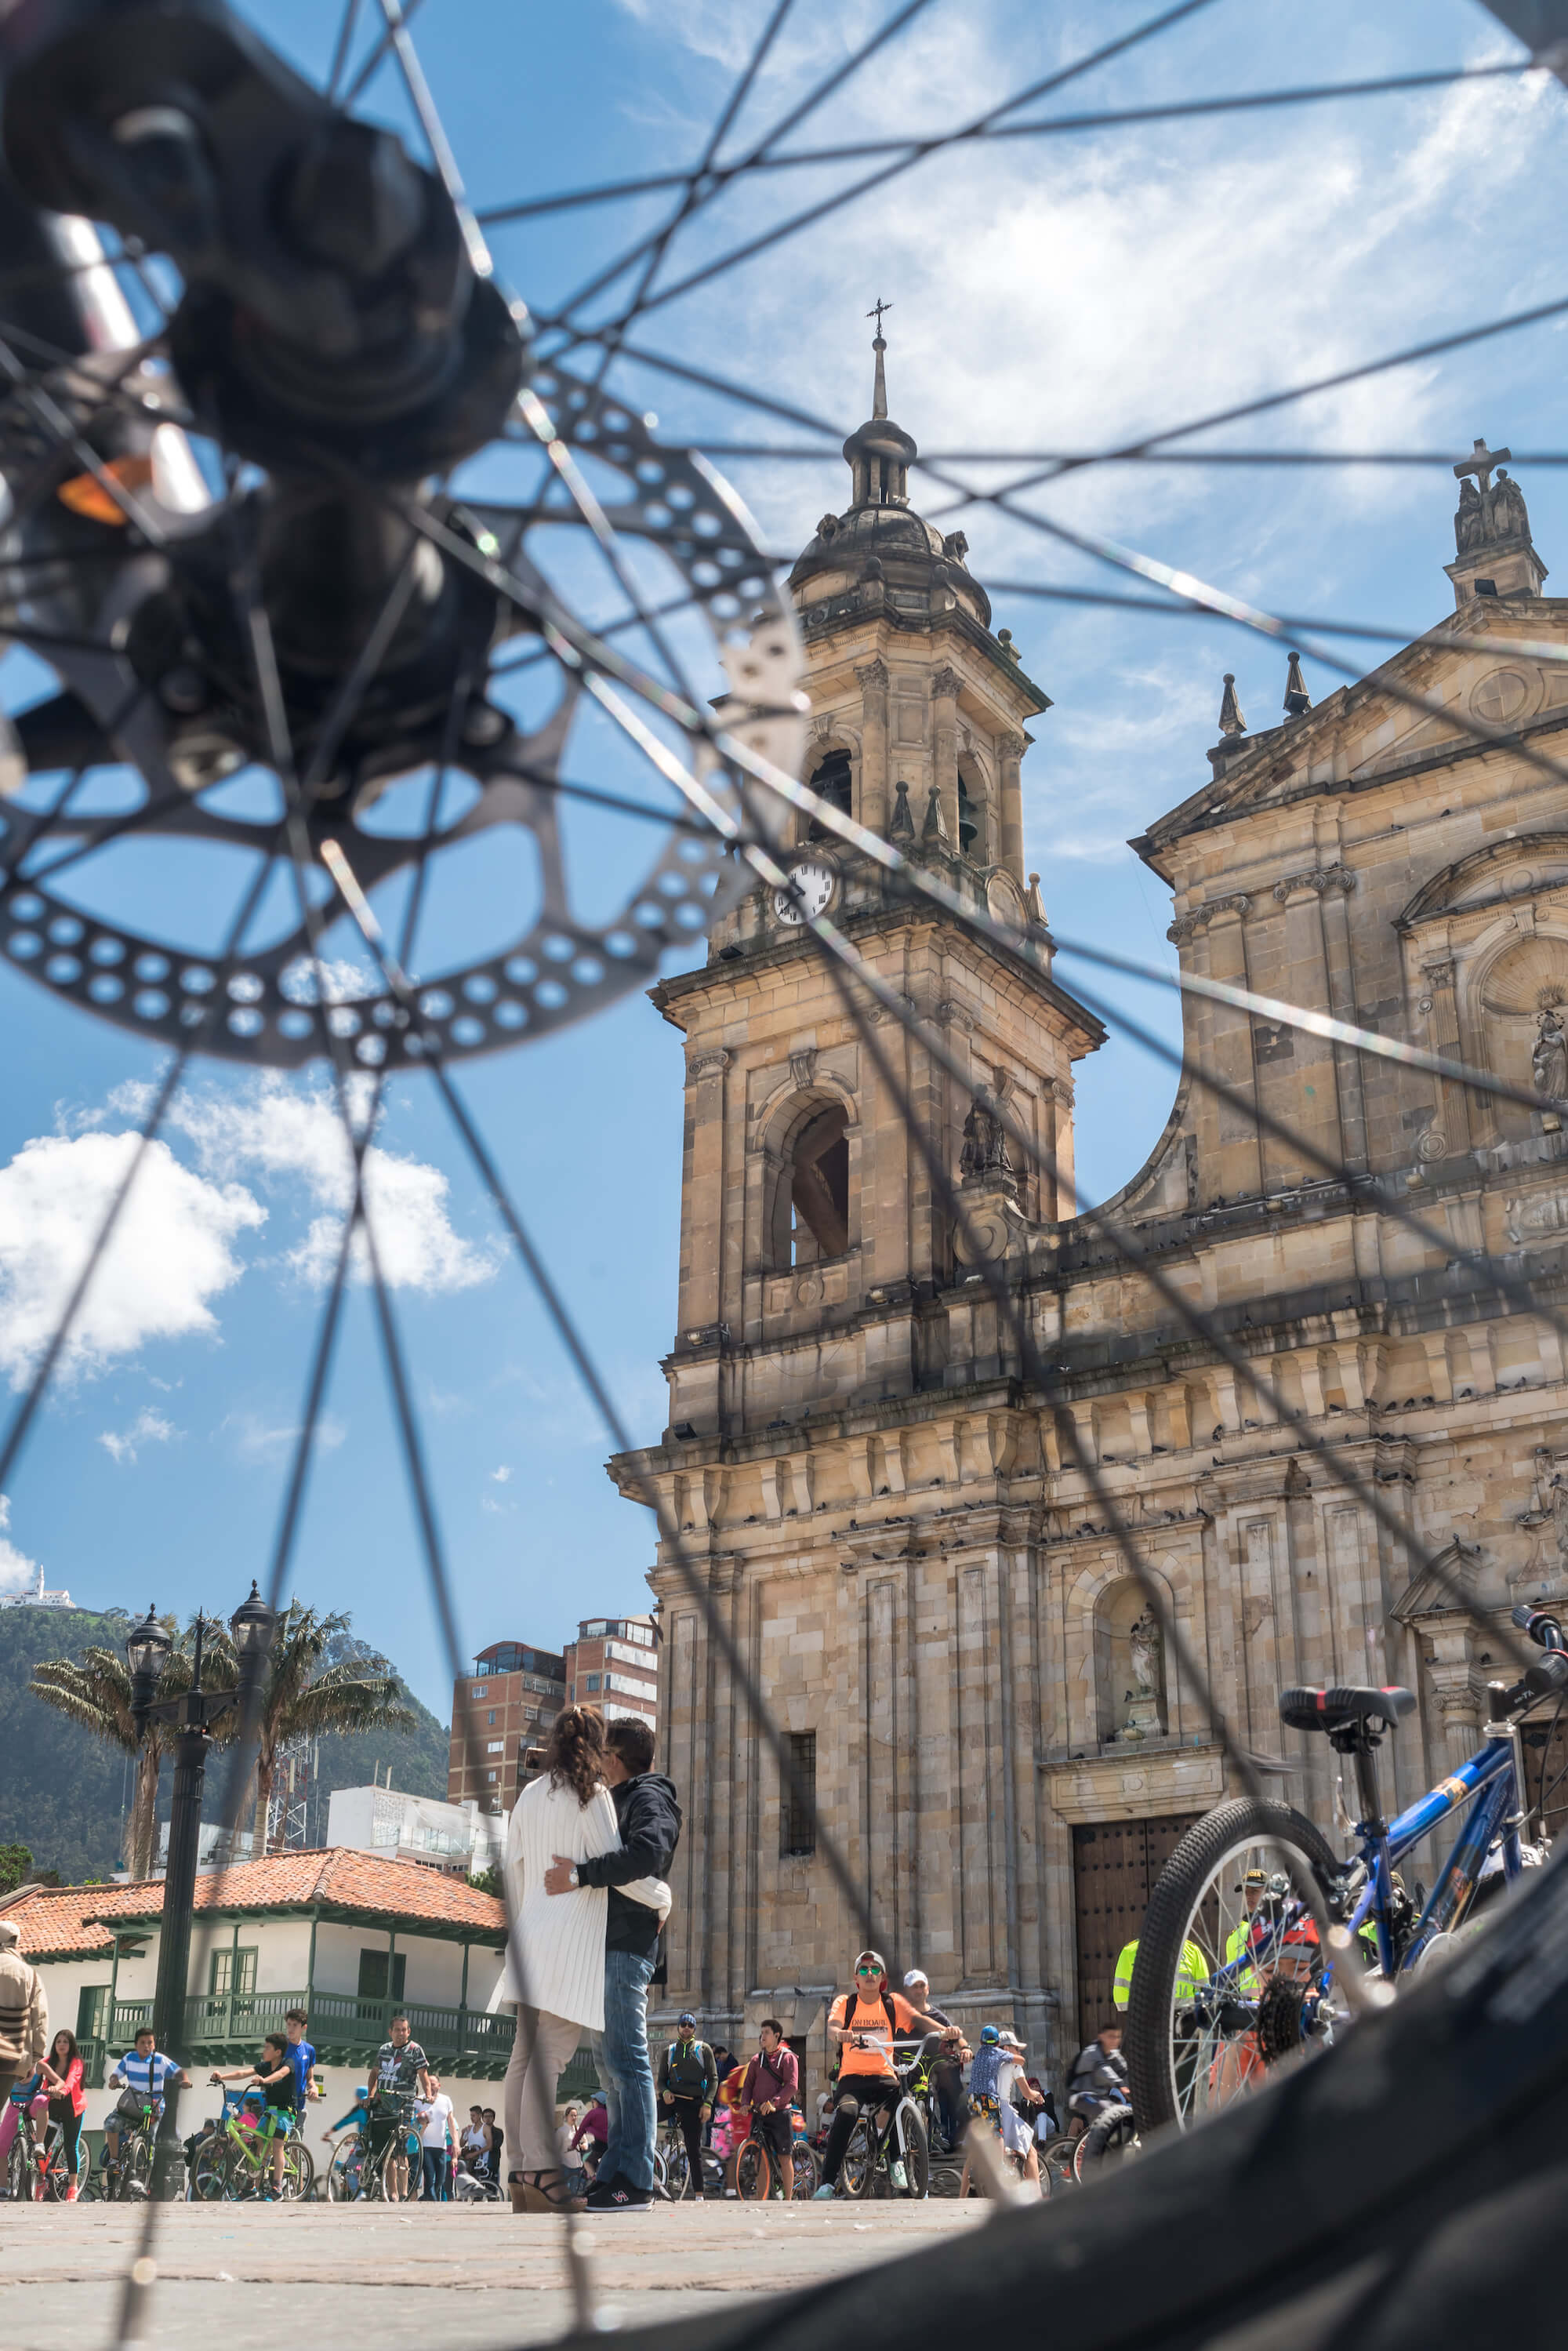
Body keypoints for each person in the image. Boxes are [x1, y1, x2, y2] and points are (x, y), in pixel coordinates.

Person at [503, 1705, 670, 2218]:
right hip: (570, 1941)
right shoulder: (589, 1797)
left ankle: (520, 2170)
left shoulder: (531, 1795)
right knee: (556, 2058)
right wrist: (663, 1898)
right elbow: (615, 1871)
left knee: (524, 2059)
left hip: (529, 1934)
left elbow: (513, 1868)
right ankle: (539, 2171)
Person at [545, 1715, 681, 2215]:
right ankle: (613, 2173)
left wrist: (581, 1875)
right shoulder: (617, 1800)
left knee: (628, 2064)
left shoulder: (650, 1797)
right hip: (608, 1947)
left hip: (627, 1947)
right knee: (611, 2068)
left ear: (616, 1758)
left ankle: (636, 2180)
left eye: (603, 1755)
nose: (597, 1764)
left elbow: (649, 1851)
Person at [811, 1950, 947, 2200]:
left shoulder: (892, 2003)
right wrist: (838, 2033)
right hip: (852, 2077)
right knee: (847, 2113)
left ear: (882, 1976)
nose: (870, 1973)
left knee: (901, 2097)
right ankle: (827, 2183)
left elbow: (919, 2020)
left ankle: (897, 2161)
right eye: (864, 1969)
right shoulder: (846, 2003)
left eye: (875, 1969)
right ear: (856, 1978)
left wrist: (947, 2031)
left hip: (883, 2074)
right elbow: (833, 2026)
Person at [209, 2033, 298, 2196]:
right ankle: (251, 2187)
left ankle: (277, 2188)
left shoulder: (288, 2063)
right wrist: (222, 2076)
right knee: (259, 2143)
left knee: (278, 2145)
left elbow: (281, 2074)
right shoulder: (265, 2065)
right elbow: (243, 2073)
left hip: (285, 2112)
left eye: (267, 2048)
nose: (264, 2051)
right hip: (270, 2110)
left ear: (278, 2052)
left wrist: (265, 2080)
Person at [0, 1916, 47, 2188]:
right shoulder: (29, 1974)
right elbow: (40, 2019)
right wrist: (35, 2057)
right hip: (11, 2057)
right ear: (16, 1942)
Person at [104, 2026, 187, 2178]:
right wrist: (113, 2081)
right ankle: (114, 2160)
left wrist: (185, 2081)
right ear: (136, 2045)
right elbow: (115, 2075)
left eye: (150, 2042)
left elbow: (179, 2072)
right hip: (132, 2105)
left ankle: (147, 2171)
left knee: (151, 2137)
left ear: (154, 2045)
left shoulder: (160, 2060)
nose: (146, 2046)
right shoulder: (129, 2059)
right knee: (111, 2123)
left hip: (152, 2106)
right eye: (142, 2042)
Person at [365, 2014, 430, 2203]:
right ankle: (392, 2193)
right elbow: (374, 2073)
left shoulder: (415, 2050)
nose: (401, 2033)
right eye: (397, 2030)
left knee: (400, 2150)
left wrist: (428, 2094)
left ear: (408, 2031)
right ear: (390, 2032)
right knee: (387, 2152)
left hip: (404, 2103)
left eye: (404, 2030)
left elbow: (423, 2074)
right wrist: (371, 2094)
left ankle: (404, 2193)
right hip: (384, 2103)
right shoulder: (384, 2050)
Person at [902, 1969, 969, 2149]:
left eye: (922, 1986)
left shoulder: (937, 2017)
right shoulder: (899, 2014)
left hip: (923, 2071)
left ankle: (930, 2136)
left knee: (929, 2097)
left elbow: (954, 2035)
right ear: (906, 1990)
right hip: (899, 2068)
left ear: (928, 1989)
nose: (918, 1990)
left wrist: (965, 2048)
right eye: (914, 1986)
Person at [658, 2012, 717, 2199]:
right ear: (678, 2026)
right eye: (683, 2024)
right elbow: (661, 2080)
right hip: (673, 2100)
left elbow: (714, 2079)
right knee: (645, 2117)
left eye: (690, 2025)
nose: (686, 2027)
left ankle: (699, 2195)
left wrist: (708, 2103)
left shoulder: (703, 2049)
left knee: (694, 2150)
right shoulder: (669, 2051)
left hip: (694, 2104)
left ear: (694, 2029)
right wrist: (665, 2092)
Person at [741, 2021, 799, 2201]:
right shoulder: (756, 2060)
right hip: (759, 2114)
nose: (763, 2036)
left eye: (767, 2032)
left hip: (780, 2114)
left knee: (784, 2156)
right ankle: (761, 2198)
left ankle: (788, 2199)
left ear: (776, 2036)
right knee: (760, 2157)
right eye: (761, 2032)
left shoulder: (788, 2058)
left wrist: (774, 2102)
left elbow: (792, 2086)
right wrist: (744, 2103)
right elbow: (748, 2085)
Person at [38, 2029, 85, 2201]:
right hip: (53, 2106)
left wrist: (63, 2091)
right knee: (42, 2145)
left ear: (71, 2044)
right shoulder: (49, 2061)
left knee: (70, 2146)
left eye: (65, 2042)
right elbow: (36, 2066)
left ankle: (73, 2186)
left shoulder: (77, 2062)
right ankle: (42, 2180)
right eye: (58, 2041)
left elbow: (73, 2079)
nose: (62, 2045)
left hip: (72, 2108)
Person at [1065, 2024, 1129, 2139]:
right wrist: (1120, 2085)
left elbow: (1125, 2071)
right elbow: (1103, 2070)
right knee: (1107, 2112)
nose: (1114, 2040)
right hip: (1082, 2095)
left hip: (1101, 2096)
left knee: (1122, 2113)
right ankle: (1094, 2154)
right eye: (1111, 2036)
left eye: (1117, 2037)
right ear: (1101, 2036)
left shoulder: (1114, 2054)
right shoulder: (1092, 2052)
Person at [419, 2072, 456, 2203]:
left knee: (440, 2181)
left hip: (441, 2147)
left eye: (433, 2084)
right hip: (425, 2147)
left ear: (439, 2085)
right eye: (427, 2084)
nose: (430, 2087)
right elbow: (414, 2123)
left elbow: (451, 2123)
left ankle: (424, 2200)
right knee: (429, 2179)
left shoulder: (446, 2100)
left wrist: (456, 2145)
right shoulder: (419, 2100)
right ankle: (433, 2206)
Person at [284, 2007, 319, 2109]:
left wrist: (313, 2088)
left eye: (295, 2025)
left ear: (304, 2028)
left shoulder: (309, 2050)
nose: (291, 2028)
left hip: (299, 2107)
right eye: (289, 2024)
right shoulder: (279, 2046)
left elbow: (310, 2079)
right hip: (278, 2108)